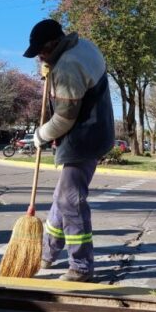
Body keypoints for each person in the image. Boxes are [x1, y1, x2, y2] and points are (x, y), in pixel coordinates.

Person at [23, 18, 114, 282]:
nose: (39, 57)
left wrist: (41, 135)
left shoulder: (68, 65)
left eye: (42, 52)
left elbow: (64, 118)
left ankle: (81, 266)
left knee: (69, 200)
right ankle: (49, 254)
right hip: (96, 130)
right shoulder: (82, 47)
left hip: (84, 137)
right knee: (61, 197)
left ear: (54, 44)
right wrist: (50, 71)